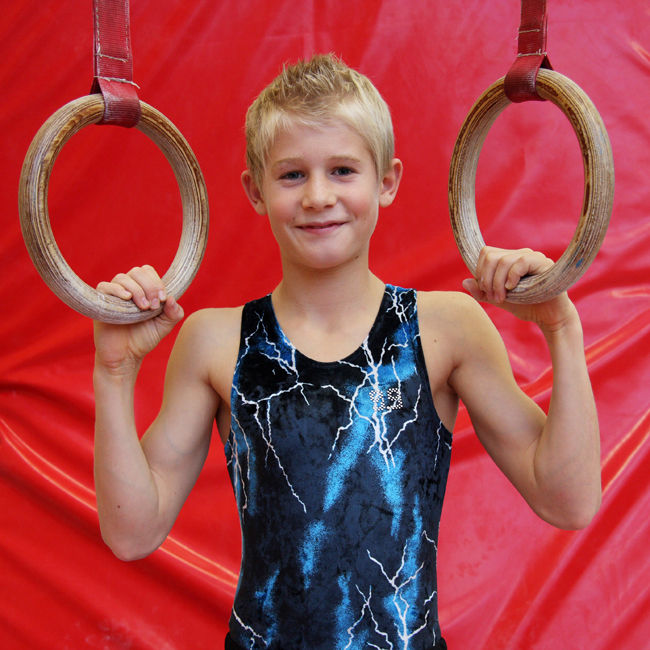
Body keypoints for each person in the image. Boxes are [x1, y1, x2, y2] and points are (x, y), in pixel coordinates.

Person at [93, 54, 601, 649]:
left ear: (386, 180)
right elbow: (132, 534)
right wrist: (114, 371)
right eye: (291, 176)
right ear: (255, 192)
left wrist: (561, 328)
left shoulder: (445, 327)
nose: (316, 197)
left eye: (341, 171)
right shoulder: (214, 340)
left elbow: (569, 502)